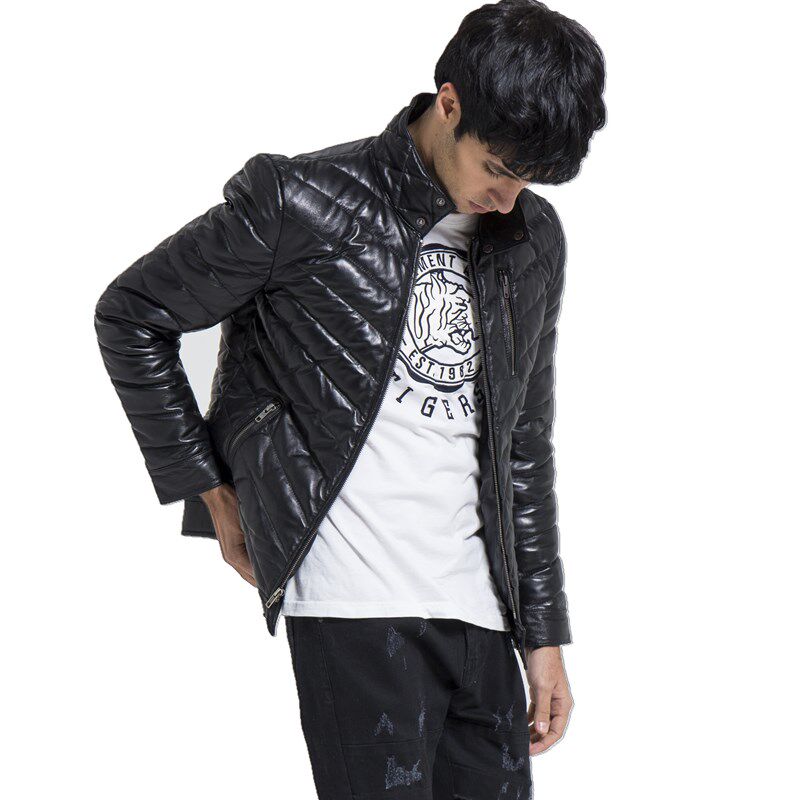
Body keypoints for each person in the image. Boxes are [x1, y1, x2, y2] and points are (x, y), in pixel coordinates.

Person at [94, 1, 605, 796]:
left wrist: (542, 637)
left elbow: (522, 443)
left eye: (527, 180)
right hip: (355, 603)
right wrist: (209, 490)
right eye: (498, 170)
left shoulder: (531, 240)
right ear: (449, 104)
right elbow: (132, 316)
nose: (509, 199)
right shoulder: (301, 201)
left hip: (483, 614)